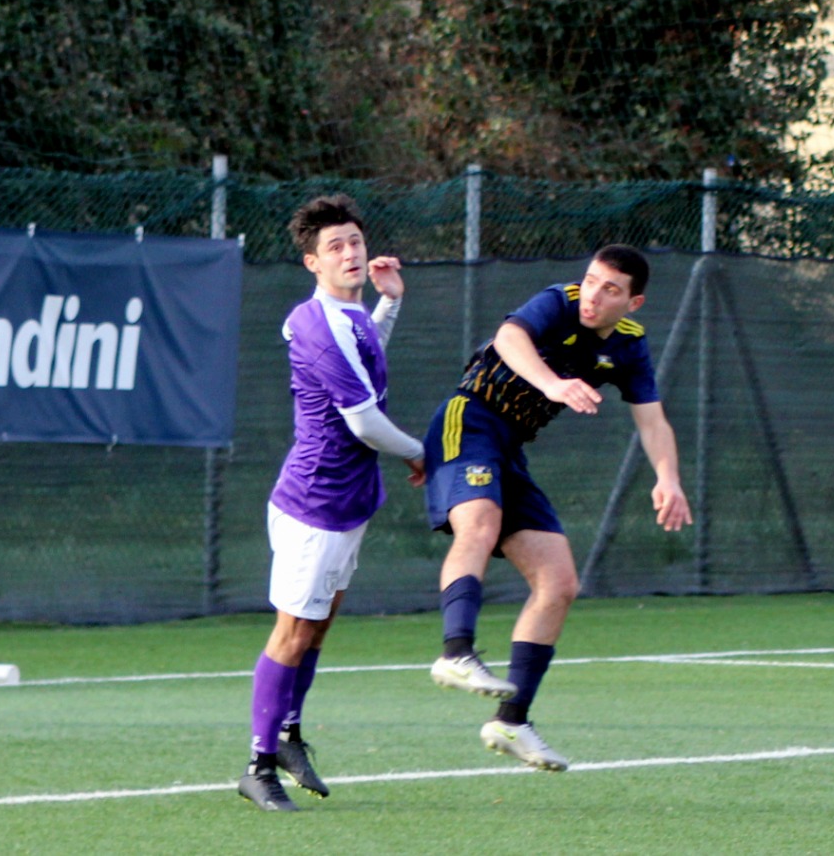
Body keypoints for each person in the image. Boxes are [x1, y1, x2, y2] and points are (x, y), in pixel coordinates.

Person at [421, 244, 692, 770]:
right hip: (469, 420)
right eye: (590, 280)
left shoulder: (630, 345)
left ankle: (512, 721)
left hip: (509, 450)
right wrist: (553, 384)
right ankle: (456, 652)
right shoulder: (559, 301)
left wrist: (668, 478)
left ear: (633, 302)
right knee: (480, 522)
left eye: (610, 289)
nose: (593, 295)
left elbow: (653, 419)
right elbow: (509, 337)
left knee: (559, 582)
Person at [238, 195, 426, 812]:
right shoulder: (317, 323)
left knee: (317, 628)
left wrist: (390, 303)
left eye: (355, 242)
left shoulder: (352, 317)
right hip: (314, 501)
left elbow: (367, 356)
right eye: (335, 247)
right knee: (292, 633)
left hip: (348, 499)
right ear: (312, 263)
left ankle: (289, 736)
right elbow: (364, 421)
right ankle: (258, 765)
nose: (350, 253)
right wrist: (421, 453)